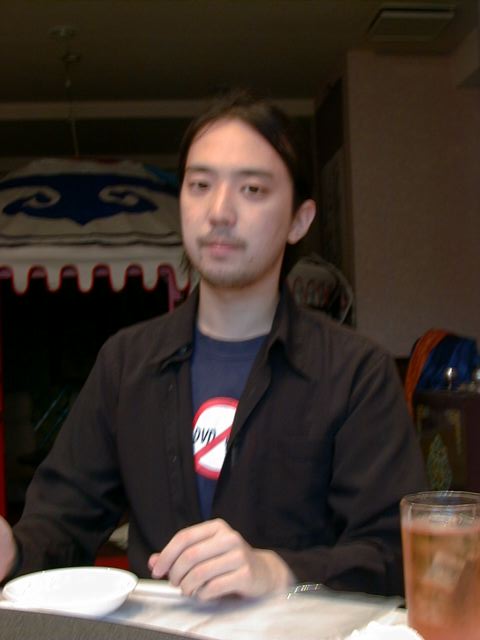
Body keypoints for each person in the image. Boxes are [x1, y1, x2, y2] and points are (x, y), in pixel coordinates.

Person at [0, 90, 426, 600]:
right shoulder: (126, 362)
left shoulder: (356, 373)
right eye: (200, 185)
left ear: (299, 219)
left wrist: (276, 571)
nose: (219, 211)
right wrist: (14, 550)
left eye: (252, 189)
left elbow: (395, 554)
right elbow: (61, 523)